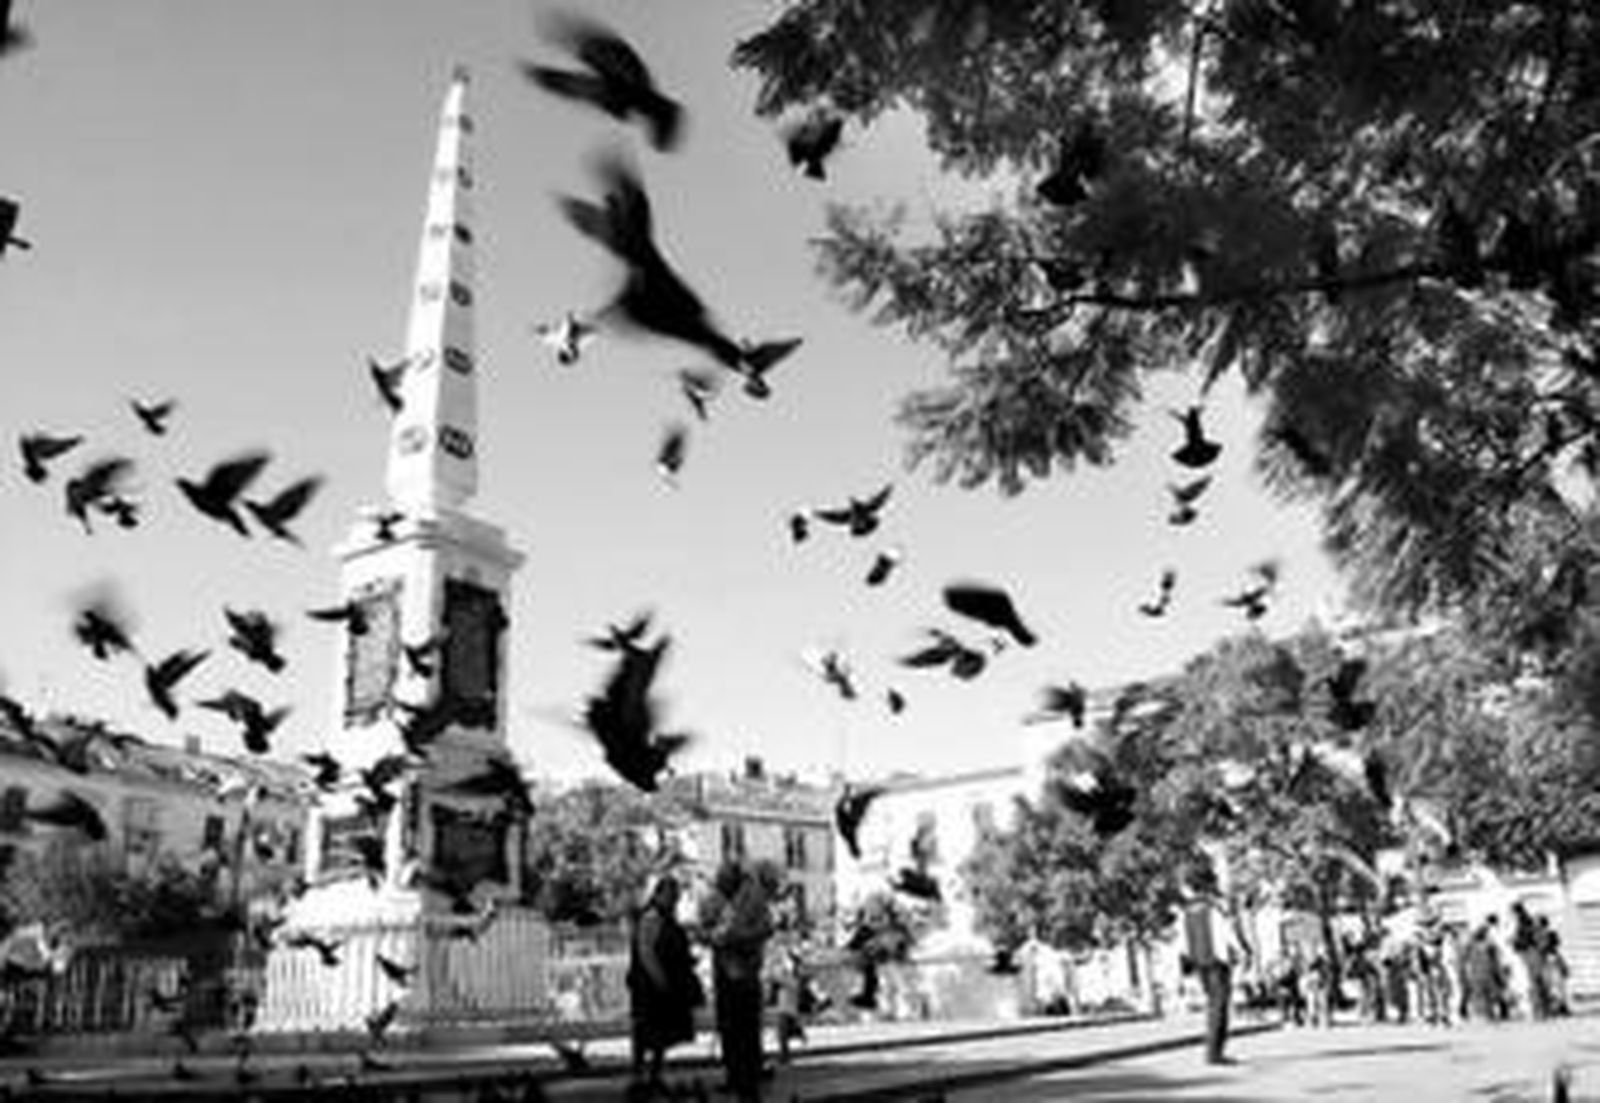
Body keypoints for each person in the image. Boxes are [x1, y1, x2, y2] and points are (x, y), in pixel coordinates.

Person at [702, 861, 774, 1102]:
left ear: (735, 879)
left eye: (725, 882)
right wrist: (712, 936)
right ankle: (733, 1077)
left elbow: (767, 927)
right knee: (727, 1026)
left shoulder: (755, 896)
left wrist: (742, 937)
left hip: (747, 970)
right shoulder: (713, 897)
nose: (721, 887)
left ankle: (750, 1081)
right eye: (719, 883)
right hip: (722, 968)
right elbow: (704, 928)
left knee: (747, 1028)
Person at [627, 874, 703, 1098]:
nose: (674, 901)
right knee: (647, 1031)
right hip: (650, 987)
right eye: (672, 896)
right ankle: (641, 1078)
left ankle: (653, 1076)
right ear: (660, 894)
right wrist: (660, 980)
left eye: (676, 897)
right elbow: (646, 952)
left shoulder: (665, 917)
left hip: (661, 985)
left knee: (660, 1033)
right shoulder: (651, 917)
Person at [1182, 887, 1241, 1065]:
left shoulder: (1187, 912)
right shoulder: (1214, 909)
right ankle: (1215, 1052)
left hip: (1201, 963)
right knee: (1220, 1006)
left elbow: (1184, 941)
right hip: (1217, 962)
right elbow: (1225, 935)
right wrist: (1240, 951)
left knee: (1212, 1005)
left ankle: (1212, 1050)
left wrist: (1190, 962)